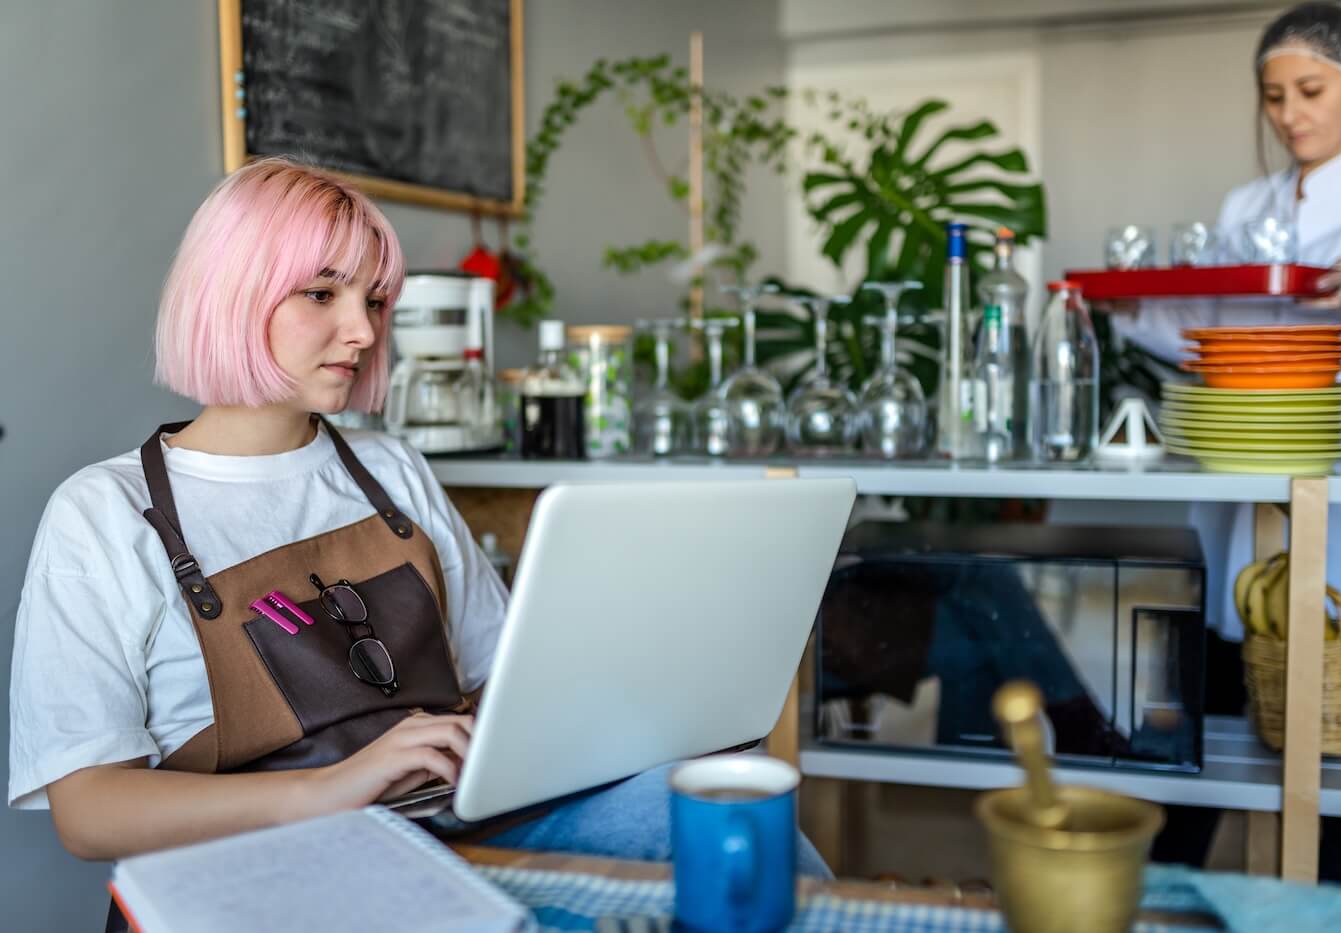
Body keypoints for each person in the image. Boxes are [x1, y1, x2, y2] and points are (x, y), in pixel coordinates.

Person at [6, 158, 829, 894]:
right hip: (261, 868)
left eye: (373, 299)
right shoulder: (104, 514)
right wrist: (336, 786)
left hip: (444, 826)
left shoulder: (392, 471)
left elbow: (499, 680)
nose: (363, 332)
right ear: (231, 293)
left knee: (712, 805)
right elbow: (88, 811)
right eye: (322, 293)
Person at [1112, 2, 1341, 883]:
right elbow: (1208, 327)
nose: (1288, 114)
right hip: (1242, 481)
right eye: (1273, 96)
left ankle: (1327, 903)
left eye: (1309, 90)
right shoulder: (1248, 205)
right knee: (1209, 717)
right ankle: (1166, 896)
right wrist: (1132, 306)